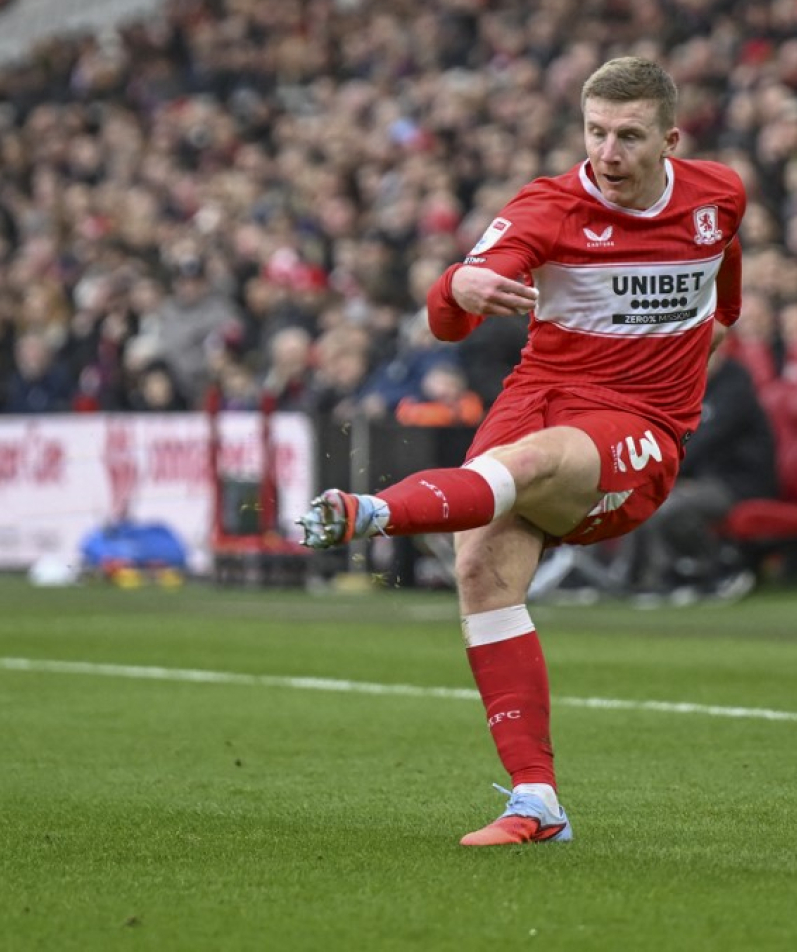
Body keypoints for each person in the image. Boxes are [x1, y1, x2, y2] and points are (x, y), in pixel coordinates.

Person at [297, 58, 745, 846]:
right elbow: (452, 313)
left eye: (629, 136)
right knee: (481, 571)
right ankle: (537, 804)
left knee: (532, 467)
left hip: (638, 424)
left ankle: (372, 511)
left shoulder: (719, 196)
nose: (608, 152)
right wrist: (458, 288)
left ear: (671, 139)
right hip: (536, 396)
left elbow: (723, 281)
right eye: (596, 132)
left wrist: (700, 353)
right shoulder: (549, 206)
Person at [625, 346, 776, 600]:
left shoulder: (735, 388)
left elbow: (706, 440)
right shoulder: (692, 388)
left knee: (668, 505)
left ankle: (716, 571)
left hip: (738, 483)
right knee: (643, 500)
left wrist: (665, 474)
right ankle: (642, 579)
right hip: (704, 480)